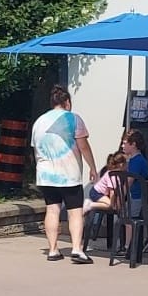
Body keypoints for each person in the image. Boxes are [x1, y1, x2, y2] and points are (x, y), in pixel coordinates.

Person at [31, 84, 98, 264]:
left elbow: (36, 149)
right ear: (67, 102)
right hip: (68, 174)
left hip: (46, 175)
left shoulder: (39, 122)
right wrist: (92, 167)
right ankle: (76, 249)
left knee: (52, 210)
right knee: (75, 212)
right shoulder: (73, 119)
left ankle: (53, 249)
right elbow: (83, 146)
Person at [118, 129, 148, 255]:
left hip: (138, 197)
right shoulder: (134, 160)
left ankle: (129, 246)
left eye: (125, 143)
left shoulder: (137, 161)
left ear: (134, 145)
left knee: (129, 218)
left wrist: (120, 197)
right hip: (136, 196)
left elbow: (129, 181)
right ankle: (130, 244)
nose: (122, 146)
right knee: (127, 216)